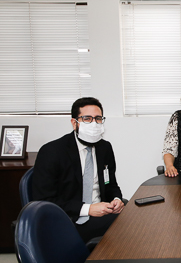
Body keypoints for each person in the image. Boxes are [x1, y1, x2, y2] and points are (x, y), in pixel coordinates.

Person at [32, 97, 124, 243]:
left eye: (98, 119)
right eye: (87, 118)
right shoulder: (52, 151)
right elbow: (43, 201)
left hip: (101, 212)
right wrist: (88, 209)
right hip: (70, 219)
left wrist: (116, 199)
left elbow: (111, 184)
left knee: (133, 216)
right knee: (127, 227)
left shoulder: (105, 148)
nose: (94, 123)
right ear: (74, 123)